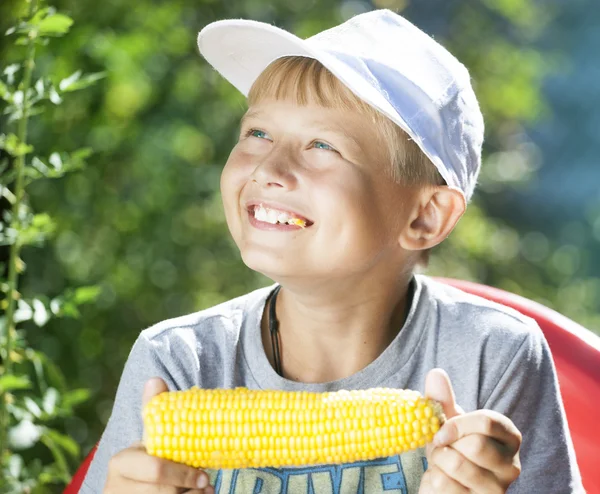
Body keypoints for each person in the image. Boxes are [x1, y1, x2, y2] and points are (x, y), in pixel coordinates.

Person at [81, 9, 583, 494]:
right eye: (257, 133)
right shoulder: (178, 362)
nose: (269, 168)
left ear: (425, 216)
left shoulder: (490, 355)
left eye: (322, 145)